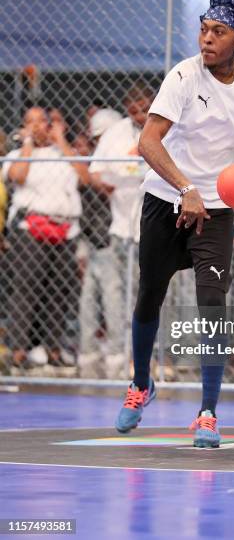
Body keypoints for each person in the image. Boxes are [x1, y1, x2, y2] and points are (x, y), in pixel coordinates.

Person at [115, 0, 234, 448]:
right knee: (150, 294)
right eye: (204, 29)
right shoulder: (183, 76)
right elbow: (149, 142)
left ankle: (208, 411)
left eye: (218, 32)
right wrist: (185, 187)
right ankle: (140, 385)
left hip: (217, 209)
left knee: (212, 305)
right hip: (166, 201)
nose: (207, 39)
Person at [3, 106, 88, 368]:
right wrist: (28, 141)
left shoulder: (62, 153)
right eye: (31, 122)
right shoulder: (17, 154)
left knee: (60, 290)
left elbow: (84, 178)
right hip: (31, 227)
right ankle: (18, 350)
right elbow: (17, 177)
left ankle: (53, 349)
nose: (38, 126)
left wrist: (60, 140)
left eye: (43, 121)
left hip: (65, 228)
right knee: (27, 288)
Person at [88, 87, 154, 379]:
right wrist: (107, 184)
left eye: (144, 108)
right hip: (121, 226)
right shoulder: (116, 132)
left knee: (152, 295)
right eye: (134, 109)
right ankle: (119, 355)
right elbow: (95, 170)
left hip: (155, 227)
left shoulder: (169, 126)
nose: (139, 114)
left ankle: (153, 359)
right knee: (118, 296)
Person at [76, 108, 128, 379]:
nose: (98, 143)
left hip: (112, 236)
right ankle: (89, 352)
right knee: (91, 297)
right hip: (92, 236)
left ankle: (118, 354)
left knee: (113, 296)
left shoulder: (118, 156)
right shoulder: (99, 159)